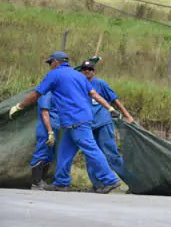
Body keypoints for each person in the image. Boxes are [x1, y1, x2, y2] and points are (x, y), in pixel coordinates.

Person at [9, 51, 122, 193]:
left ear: (56, 62)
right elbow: (93, 94)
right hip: (77, 120)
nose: (50, 66)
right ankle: (61, 182)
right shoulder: (79, 76)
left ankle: (109, 180)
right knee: (64, 151)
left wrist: (20, 106)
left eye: (50, 63)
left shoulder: (54, 74)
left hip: (76, 120)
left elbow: (37, 94)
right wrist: (110, 107)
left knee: (91, 149)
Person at [78, 60, 134, 192]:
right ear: (81, 71)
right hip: (87, 125)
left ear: (94, 71)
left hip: (103, 122)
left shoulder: (100, 84)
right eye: (85, 69)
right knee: (90, 155)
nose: (87, 71)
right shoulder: (78, 85)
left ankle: (133, 182)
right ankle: (98, 184)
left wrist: (127, 114)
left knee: (111, 154)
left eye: (90, 69)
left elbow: (114, 99)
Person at [30, 91, 60, 190]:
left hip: (54, 127)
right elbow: (45, 113)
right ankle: (36, 182)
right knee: (41, 153)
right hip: (46, 129)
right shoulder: (47, 94)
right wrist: (50, 132)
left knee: (49, 155)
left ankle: (42, 181)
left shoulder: (57, 94)